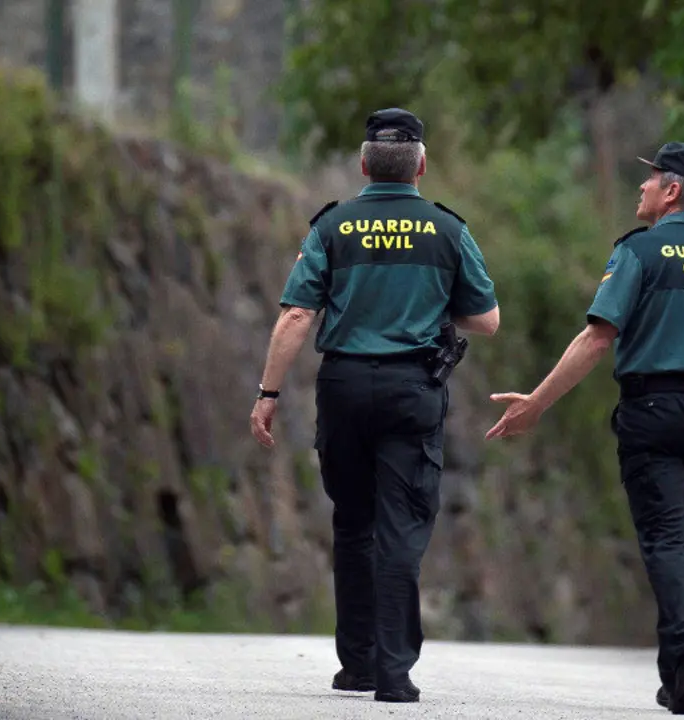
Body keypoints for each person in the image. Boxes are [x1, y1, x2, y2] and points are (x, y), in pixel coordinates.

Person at [485, 141, 684, 716]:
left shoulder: (639, 252)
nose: (639, 187)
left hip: (655, 411)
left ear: (672, 193)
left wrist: (537, 404)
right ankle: (679, 680)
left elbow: (596, 337)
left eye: (651, 179)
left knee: (665, 538)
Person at [249, 107, 500, 703]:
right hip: (413, 392)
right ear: (421, 165)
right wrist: (434, 302)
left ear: (364, 164)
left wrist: (268, 394)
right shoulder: (448, 230)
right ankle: (394, 671)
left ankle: (357, 665)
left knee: (354, 524)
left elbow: (297, 315)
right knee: (401, 529)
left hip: (345, 389)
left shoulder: (331, 226)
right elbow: (486, 320)